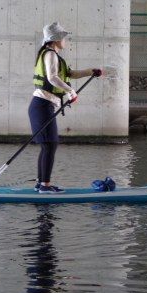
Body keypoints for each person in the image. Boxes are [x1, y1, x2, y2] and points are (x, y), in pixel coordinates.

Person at [29, 22, 104, 193]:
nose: (66, 40)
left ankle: (41, 183)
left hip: (42, 105)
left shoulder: (53, 55)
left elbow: (70, 74)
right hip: (42, 105)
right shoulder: (50, 55)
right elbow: (52, 78)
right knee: (50, 144)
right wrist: (71, 92)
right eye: (64, 37)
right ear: (56, 39)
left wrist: (92, 71)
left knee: (48, 145)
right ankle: (45, 186)